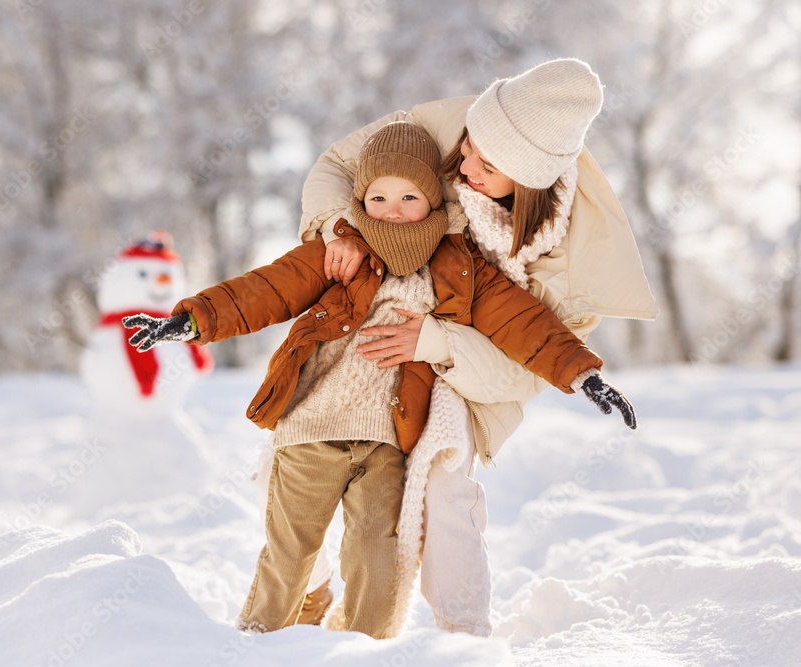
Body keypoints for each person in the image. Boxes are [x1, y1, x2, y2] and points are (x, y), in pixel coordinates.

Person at [123, 120, 636, 639]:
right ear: (360, 200)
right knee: (291, 547)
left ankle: (367, 649)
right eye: (378, 196)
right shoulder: (339, 251)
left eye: (409, 196)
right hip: (312, 428)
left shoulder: (461, 265)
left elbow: (524, 323)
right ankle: (258, 643)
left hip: (388, 442)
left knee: (377, 555)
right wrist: (189, 321)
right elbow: (264, 290)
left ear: (434, 200)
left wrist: (584, 374)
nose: (392, 210)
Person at [296, 58, 658, 636]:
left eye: (485, 166)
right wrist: (342, 225)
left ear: (530, 183)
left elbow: (529, 364)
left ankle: (462, 634)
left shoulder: (575, 265)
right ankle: (302, 595)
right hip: (382, 320)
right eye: (468, 147)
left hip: (472, 369)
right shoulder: (448, 130)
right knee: (318, 455)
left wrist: (435, 340)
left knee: (443, 484)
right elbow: (339, 163)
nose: (462, 166)